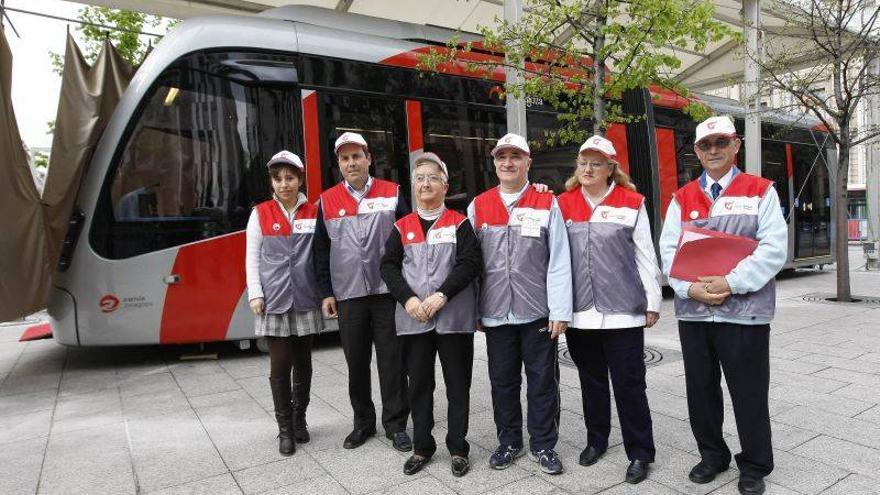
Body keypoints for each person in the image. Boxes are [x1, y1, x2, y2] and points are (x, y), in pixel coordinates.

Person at [659, 116, 787, 495]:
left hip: (745, 314)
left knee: (748, 392)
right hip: (695, 313)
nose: (713, 150)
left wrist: (732, 282)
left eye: (720, 142)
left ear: (735, 146)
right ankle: (712, 456)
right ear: (697, 151)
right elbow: (668, 253)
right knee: (701, 392)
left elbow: (774, 248)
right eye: (705, 145)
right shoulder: (682, 197)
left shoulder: (761, 190)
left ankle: (755, 465)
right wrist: (687, 289)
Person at [557, 135, 661, 484]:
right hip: (580, 312)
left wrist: (652, 301)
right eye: (583, 162)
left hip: (623, 311)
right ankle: (596, 440)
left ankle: (640, 452)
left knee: (630, 385)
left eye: (596, 163)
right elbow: (555, 260)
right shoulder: (562, 203)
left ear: (610, 168)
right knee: (592, 383)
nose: (588, 168)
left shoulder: (632, 202)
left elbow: (645, 255)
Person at [467, 133, 573, 475]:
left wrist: (560, 310)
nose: (508, 163)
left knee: (543, 382)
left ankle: (543, 444)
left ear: (528, 162)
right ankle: (509, 441)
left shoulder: (547, 203)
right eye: (502, 157)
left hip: (537, 312)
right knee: (503, 382)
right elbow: (469, 263)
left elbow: (559, 260)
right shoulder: (478, 206)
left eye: (516, 156)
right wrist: (474, 310)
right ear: (494, 163)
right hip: (496, 312)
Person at [380, 152, 482, 477]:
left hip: (453, 320)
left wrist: (442, 295)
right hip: (414, 321)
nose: (426, 183)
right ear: (414, 185)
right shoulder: (402, 226)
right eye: (420, 177)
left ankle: (458, 448)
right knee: (419, 386)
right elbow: (388, 266)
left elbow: (469, 262)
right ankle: (423, 446)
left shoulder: (460, 223)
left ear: (445, 185)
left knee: (457, 386)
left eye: (433, 177)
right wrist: (408, 300)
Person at [314, 132, 412, 452]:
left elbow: (409, 239)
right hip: (348, 293)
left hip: (387, 292)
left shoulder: (392, 192)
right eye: (345, 158)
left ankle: (396, 425)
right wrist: (326, 291)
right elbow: (320, 250)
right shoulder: (326, 201)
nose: (351, 162)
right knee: (356, 363)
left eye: (357, 156)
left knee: (391, 361)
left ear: (369, 158)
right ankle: (363, 423)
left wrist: (407, 287)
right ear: (338, 164)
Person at [245, 151, 323, 456]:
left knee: (304, 363)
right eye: (278, 179)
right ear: (272, 182)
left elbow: (321, 254)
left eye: (290, 178)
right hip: (274, 299)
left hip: (305, 298)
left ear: (300, 179)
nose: (284, 184)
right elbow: (252, 257)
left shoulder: (313, 211)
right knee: (280, 366)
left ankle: (300, 419)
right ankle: (285, 430)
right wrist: (255, 292)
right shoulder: (260, 213)